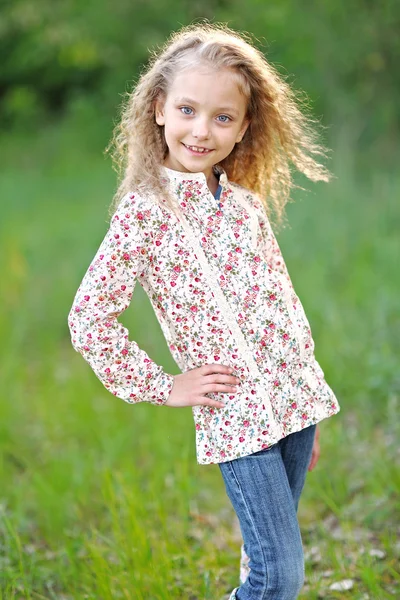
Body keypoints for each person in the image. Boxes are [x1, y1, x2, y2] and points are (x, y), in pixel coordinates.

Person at [68, 22, 340, 600]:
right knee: (278, 577)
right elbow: (89, 316)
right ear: (160, 108)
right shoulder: (144, 212)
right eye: (188, 109)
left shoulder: (244, 206)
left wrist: (305, 399)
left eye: (222, 117)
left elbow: (281, 305)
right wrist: (163, 385)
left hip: (293, 401)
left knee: (263, 563)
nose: (202, 129)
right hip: (236, 414)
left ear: (244, 128)